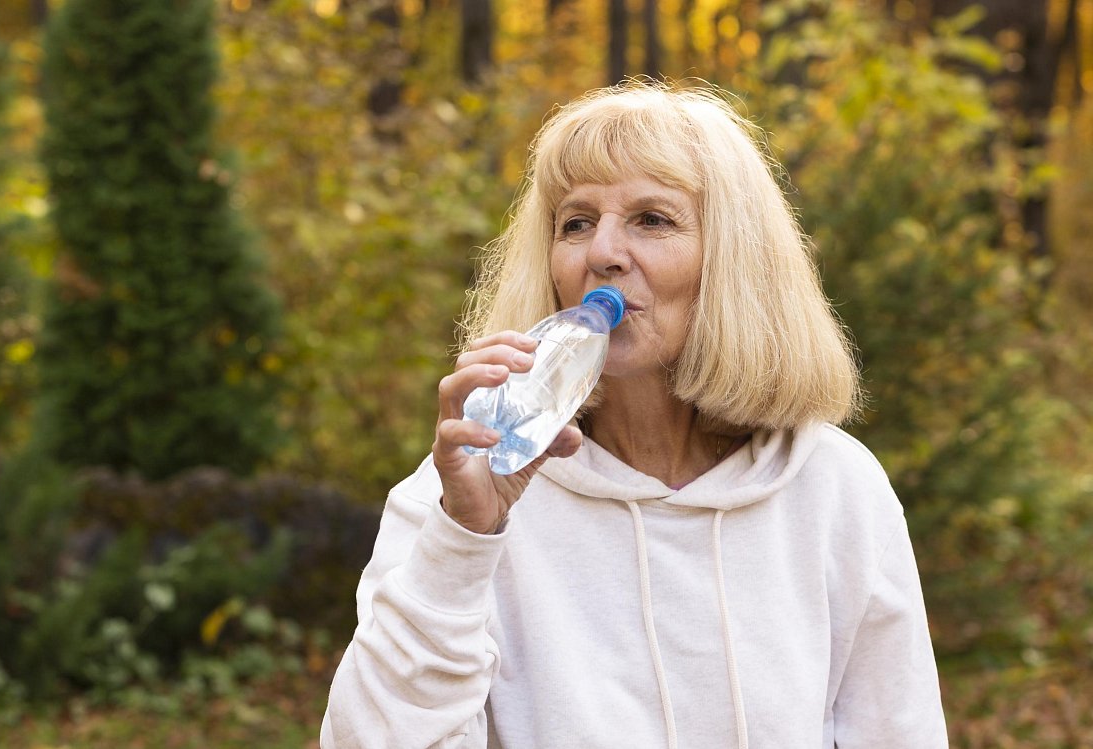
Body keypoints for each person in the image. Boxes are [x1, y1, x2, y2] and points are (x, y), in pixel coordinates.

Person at [320, 82, 947, 748]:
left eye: (652, 219)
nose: (603, 253)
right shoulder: (462, 493)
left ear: (730, 261)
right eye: (576, 222)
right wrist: (464, 541)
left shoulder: (834, 486)